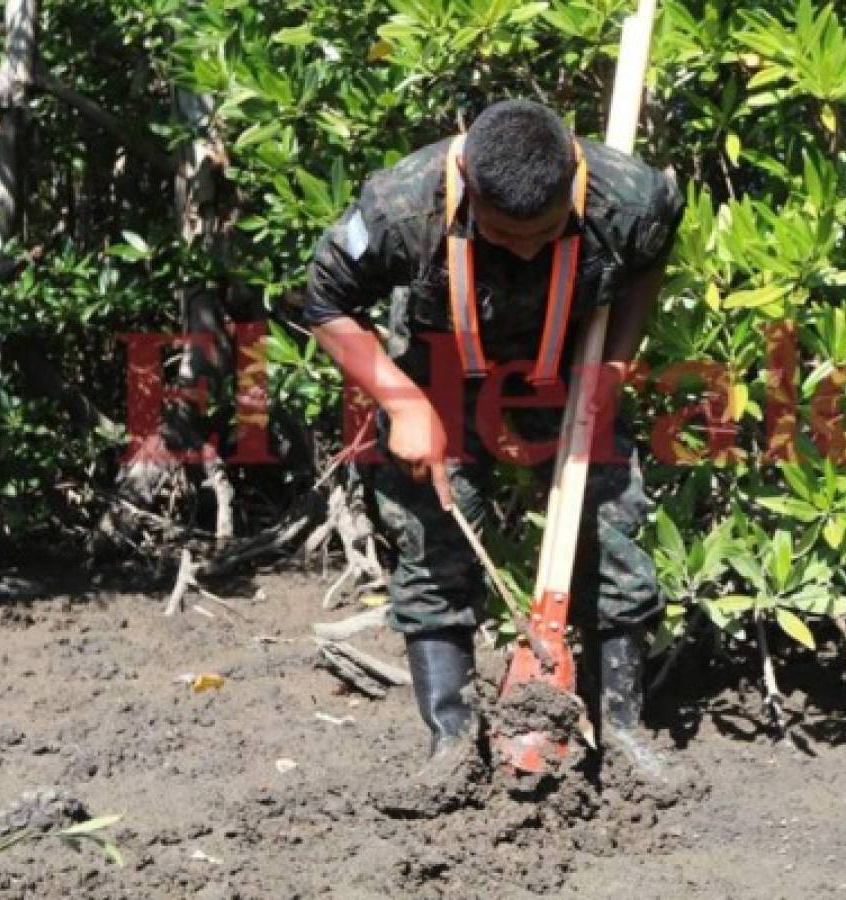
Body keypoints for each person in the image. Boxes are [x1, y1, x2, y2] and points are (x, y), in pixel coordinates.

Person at [303, 99, 685, 784]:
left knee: (614, 527)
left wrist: (614, 367)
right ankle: (450, 744)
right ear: (469, 192)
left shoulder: (630, 197)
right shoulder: (400, 206)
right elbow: (324, 302)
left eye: (544, 233)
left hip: (568, 362)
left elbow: (646, 268)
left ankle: (622, 732)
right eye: (506, 235)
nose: (528, 248)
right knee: (433, 536)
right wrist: (401, 403)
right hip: (439, 366)